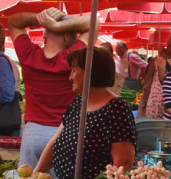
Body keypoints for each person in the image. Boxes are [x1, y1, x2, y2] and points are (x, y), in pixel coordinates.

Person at [36, 48, 136, 179]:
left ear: (90, 71)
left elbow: (123, 163)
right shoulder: (79, 102)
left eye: (74, 70)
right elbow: (55, 141)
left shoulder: (117, 108)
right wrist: (35, 173)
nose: (70, 77)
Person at [10, 8, 86, 170]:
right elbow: (93, 24)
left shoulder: (29, 55)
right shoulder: (74, 58)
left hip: (33, 134)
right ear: (66, 36)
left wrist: (42, 19)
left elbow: (14, 21)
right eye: (74, 35)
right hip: (65, 133)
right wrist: (60, 22)